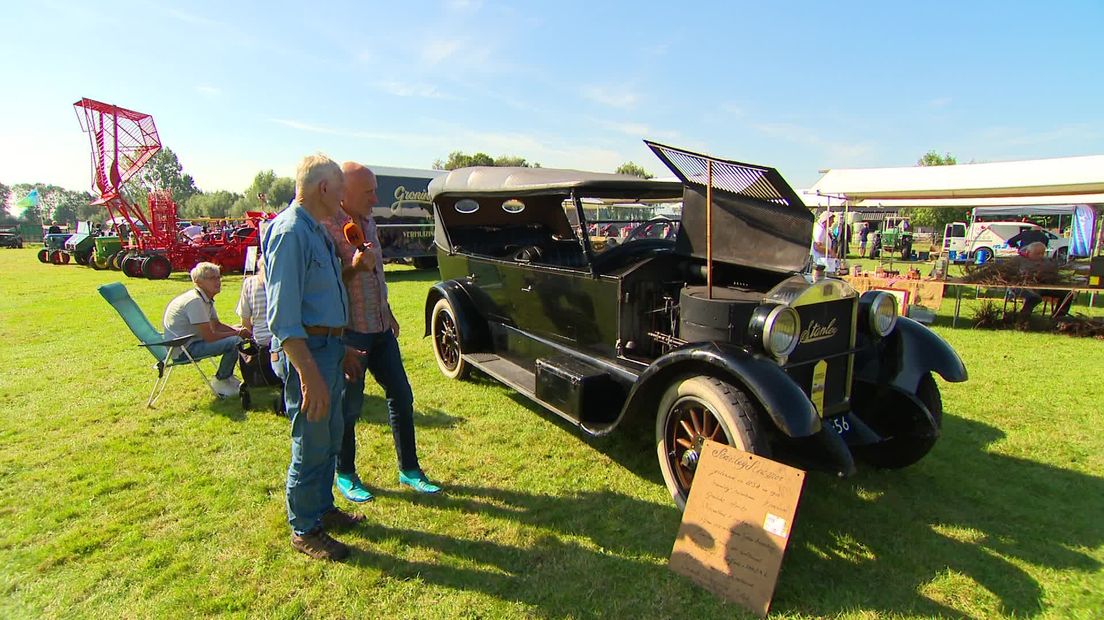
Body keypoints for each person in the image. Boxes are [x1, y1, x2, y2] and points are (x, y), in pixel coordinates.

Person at [263, 153, 364, 561]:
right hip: (308, 355)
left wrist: (338, 350)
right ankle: (304, 528)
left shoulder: (317, 231)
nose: (343, 198)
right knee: (311, 438)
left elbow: (319, 297)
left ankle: (321, 509)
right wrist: (309, 375)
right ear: (324, 188)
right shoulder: (290, 233)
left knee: (330, 435)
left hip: (326, 350)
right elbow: (284, 319)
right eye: (340, 189)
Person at [322, 162, 441, 504]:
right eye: (369, 192)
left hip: (380, 328)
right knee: (349, 408)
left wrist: (387, 312)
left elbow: (377, 275)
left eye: (375, 189)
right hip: (350, 333)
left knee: (402, 396)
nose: (376, 198)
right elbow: (327, 283)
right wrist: (354, 267)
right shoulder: (326, 227)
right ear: (344, 192)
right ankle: (345, 473)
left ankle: (410, 469)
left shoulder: (370, 221)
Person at [162, 262, 249, 397]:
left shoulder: (204, 298)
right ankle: (222, 380)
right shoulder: (195, 301)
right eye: (212, 278)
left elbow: (217, 325)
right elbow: (210, 336)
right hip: (183, 349)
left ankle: (228, 378)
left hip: (190, 343)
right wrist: (238, 333)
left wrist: (239, 329)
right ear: (198, 282)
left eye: (218, 277)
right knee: (236, 341)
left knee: (237, 333)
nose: (217, 281)